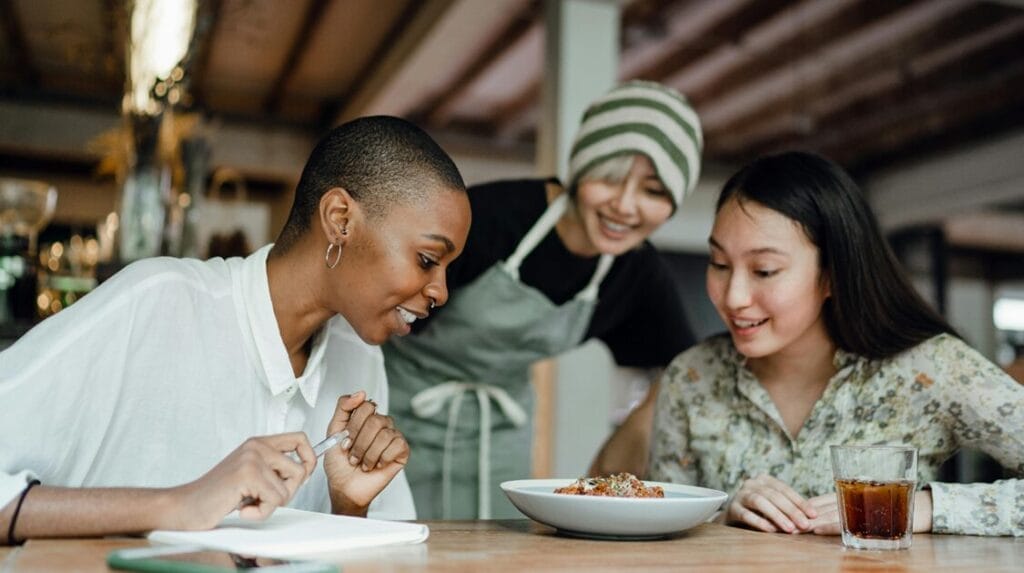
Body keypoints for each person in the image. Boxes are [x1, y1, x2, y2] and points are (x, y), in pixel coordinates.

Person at [0, 116, 472, 544]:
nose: (442, 292)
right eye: (428, 260)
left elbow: (387, 555)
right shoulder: (158, 301)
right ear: (340, 220)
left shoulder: (360, 359)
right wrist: (179, 504)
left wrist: (349, 507)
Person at [596, 151, 1024, 536]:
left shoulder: (931, 368)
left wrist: (921, 507)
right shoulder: (693, 375)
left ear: (831, 275)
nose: (733, 297)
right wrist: (724, 517)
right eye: (720, 264)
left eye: (764, 270)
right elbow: (664, 536)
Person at [382, 80, 703, 519]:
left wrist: (617, 460)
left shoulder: (637, 274)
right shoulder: (491, 217)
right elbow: (378, 314)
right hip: (394, 416)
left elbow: (683, 372)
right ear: (580, 167)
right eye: (610, 178)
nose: (626, 207)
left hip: (502, 436)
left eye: (653, 191)